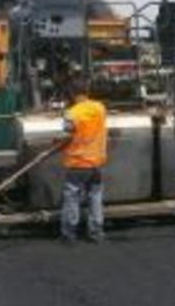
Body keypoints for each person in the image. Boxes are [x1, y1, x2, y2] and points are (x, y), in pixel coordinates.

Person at [59, 77, 108, 244]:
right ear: (86, 91)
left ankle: (70, 233)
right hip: (95, 162)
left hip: (77, 163)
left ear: (72, 93)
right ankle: (96, 232)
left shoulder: (71, 113)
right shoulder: (100, 108)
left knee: (72, 197)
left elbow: (66, 136)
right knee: (95, 197)